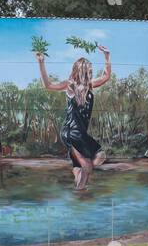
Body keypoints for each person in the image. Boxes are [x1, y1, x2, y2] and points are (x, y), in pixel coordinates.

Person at [36, 45, 111, 190]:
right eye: (88, 70)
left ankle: (79, 187)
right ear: (80, 71)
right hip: (75, 133)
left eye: (90, 70)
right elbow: (48, 85)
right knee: (99, 156)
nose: (90, 72)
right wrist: (41, 63)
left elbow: (106, 76)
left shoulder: (89, 85)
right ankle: (84, 177)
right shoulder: (71, 85)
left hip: (69, 133)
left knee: (78, 168)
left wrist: (107, 56)